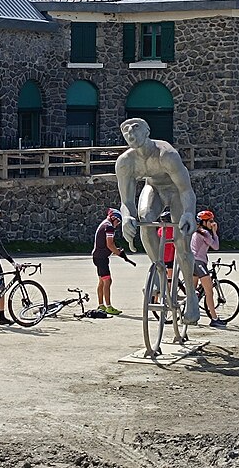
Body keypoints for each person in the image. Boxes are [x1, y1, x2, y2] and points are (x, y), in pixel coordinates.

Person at [115, 118, 201, 324]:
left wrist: (189, 213)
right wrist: (127, 217)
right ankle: (160, 276)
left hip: (176, 191)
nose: (130, 133)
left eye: (135, 129)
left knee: (182, 242)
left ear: (147, 132)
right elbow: (126, 201)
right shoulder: (126, 162)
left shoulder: (166, 154)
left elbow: (186, 190)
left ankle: (191, 295)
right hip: (153, 188)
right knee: (144, 220)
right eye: (126, 131)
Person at [191, 210, 223, 326]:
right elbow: (216, 246)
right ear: (204, 222)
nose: (212, 223)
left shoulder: (195, 232)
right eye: (210, 221)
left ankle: (189, 314)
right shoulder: (205, 233)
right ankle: (214, 319)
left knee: (192, 292)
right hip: (200, 263)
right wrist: (215, 232)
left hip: (192, 262)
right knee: (209, 291)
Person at [91, 208, 124, 316]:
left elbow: (108, 245)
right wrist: (118, 253)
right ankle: (109, 306)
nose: (118, 224)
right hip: (101, 258)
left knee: (101, 281)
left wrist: (115, 251)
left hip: (97, 256)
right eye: (118, 221)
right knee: (107, 281)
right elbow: (110, 244)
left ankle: (101, 305)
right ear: (114, 218)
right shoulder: (109, 227)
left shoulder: (105, 224)